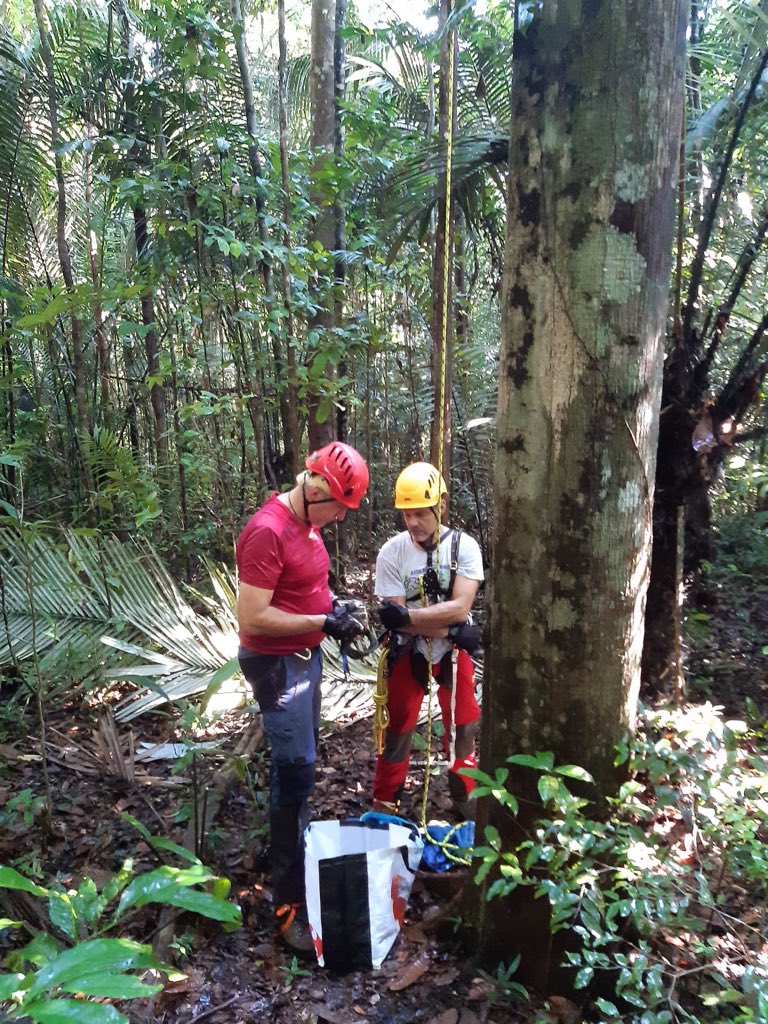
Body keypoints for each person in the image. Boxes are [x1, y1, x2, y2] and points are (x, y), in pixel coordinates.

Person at [236, 441, 369, 957]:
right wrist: (322, 622)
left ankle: (293, 853)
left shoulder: (306, 525)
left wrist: (335, 607)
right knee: (294, 773)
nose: (339, 518)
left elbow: (302, 588)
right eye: (338, 506)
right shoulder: (266, 531)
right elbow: (251, 618)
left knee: (300, 770)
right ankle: (287, 904)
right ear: (315, 490)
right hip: (277, 666)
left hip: (303, 660)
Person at [373, 461, 483, 819]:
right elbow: (399, 620)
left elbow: (459, 607)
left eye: (421, 513)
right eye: (407, 515)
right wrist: (451, 627)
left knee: (464, 728)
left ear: (441, 507)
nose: (413, 522)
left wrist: (411, 619)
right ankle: (385, 805)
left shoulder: (464, 548)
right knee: (399, 730)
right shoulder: (392, 553)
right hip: (410, 653)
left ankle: (465, 805)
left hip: (452, 653)